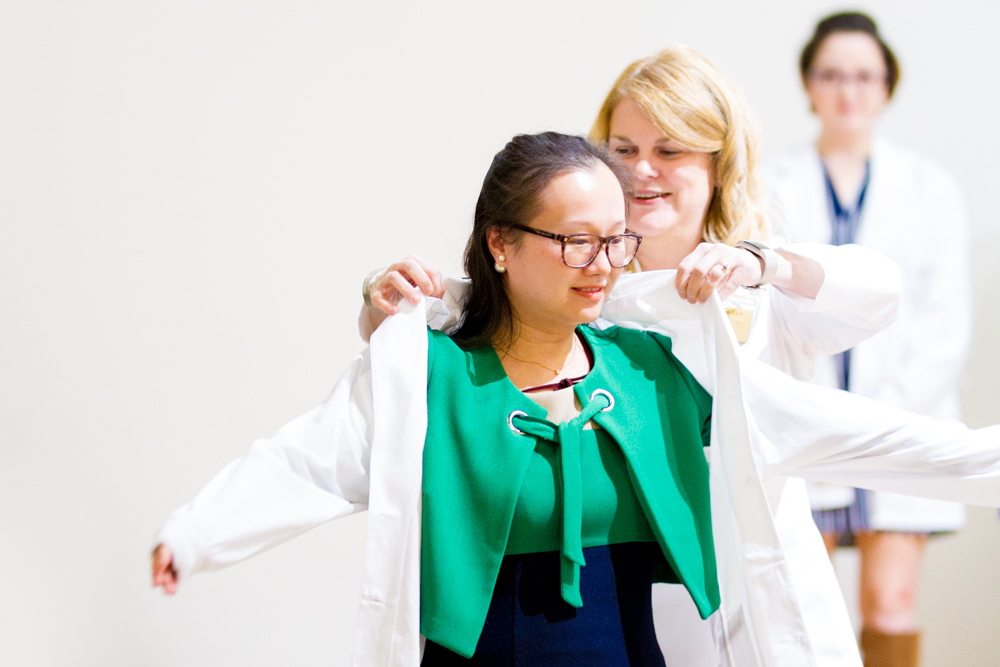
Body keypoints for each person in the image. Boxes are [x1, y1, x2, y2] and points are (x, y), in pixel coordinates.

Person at [152, 132, 1000, 667]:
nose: (604, 261)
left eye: (616, 240)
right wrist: (195, 534)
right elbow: (308, 456)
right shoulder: (427, 374)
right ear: (501, 242)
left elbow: (852, 430)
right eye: (577, 240)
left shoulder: (657, 369)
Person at [361, 46, 902, 667]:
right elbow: (461, 302)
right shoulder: (587, 289)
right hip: (641, 607)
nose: (643, 171)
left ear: (719, 165)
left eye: (670, 151)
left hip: (766, 606)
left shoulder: (765, 292)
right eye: (624, 149)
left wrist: (763, 262)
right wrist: (378, 296)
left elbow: (879, 292)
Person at [765, 13, 972, 666]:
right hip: (811, 417)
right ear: (809, 83)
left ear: (885, 86)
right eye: (831, 74)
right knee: (805, 605)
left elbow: (944, 320)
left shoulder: (929, 187)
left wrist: (883, 411)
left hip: (900, 416)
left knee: (889, 605)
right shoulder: (771, 182)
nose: (847, 90)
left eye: (863, 75)